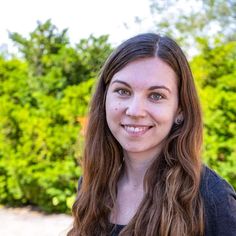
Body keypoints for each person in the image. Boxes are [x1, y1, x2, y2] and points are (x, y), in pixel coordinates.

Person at [67, 33, 236, 236]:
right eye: (123, 91)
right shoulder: (91, 184)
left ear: (180, 109)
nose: (135, 111)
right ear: (104, 99)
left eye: (156, 96)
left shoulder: (211, 198)